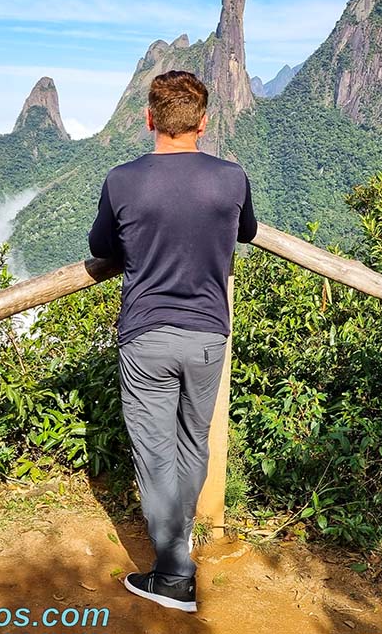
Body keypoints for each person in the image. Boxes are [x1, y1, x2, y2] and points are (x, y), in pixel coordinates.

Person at [88, 70, 257, 613]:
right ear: (204, 122)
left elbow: (101, 245)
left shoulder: (122, 180)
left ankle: (174, 574)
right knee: (192, 441)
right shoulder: (232, 179)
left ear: (148, 119)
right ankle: (179, 542)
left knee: (154, 452)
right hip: (208, 334)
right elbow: (247, 232)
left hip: (146, 335)